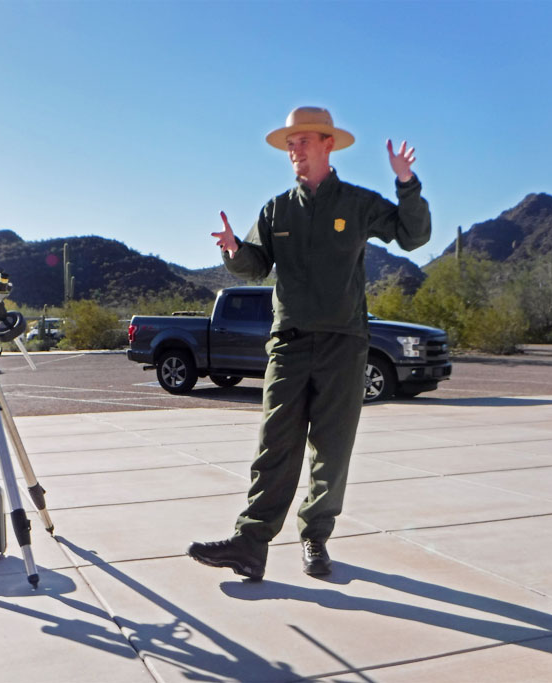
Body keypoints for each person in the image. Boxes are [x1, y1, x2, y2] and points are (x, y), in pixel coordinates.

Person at [187, 106, 431, 581]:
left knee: (331, 448)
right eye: (289, 144)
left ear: (328, 144)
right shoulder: (277, 209)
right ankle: (251, 543)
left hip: (344, 342)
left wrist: (406, 183)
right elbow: (257, 264)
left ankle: (315, 536)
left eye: (302, 141)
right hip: (289, 342)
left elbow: (412, 236)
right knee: (275, 442)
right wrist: (235, 250)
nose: (294, 150)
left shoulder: (357, 203)